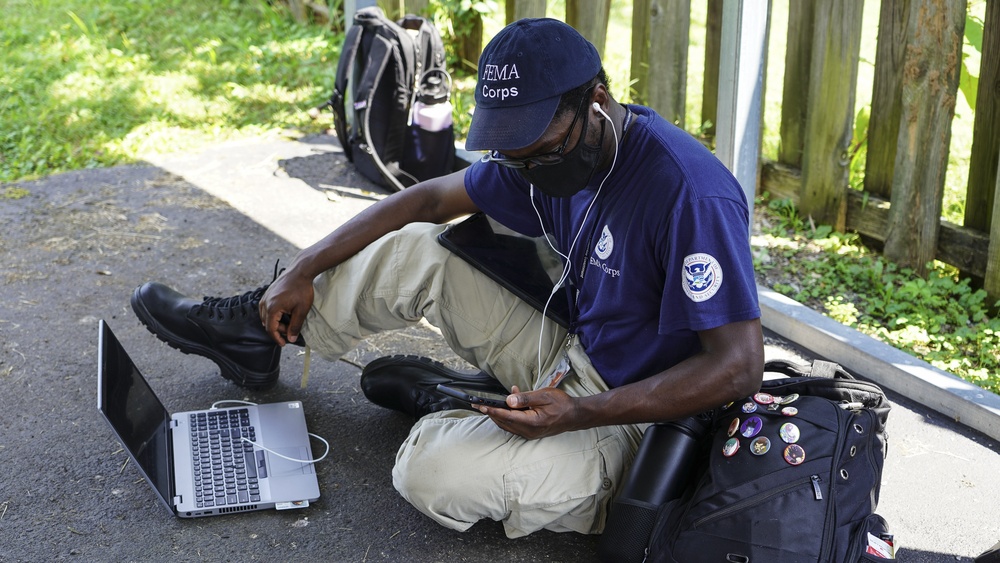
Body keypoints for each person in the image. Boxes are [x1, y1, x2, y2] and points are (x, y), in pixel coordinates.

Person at [130, 18, 764, 538]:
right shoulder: (546, 151)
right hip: (575, 355)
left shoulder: (689, 195)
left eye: (543, 152)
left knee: (430, 473)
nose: (532, 171)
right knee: (419, 247)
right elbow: (427, 199)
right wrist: (303, 268)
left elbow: (736, 368)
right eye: (514, 158)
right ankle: (260, 335)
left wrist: (579, 414)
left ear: (596, 99)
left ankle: (464, 409)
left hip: (644, 423)